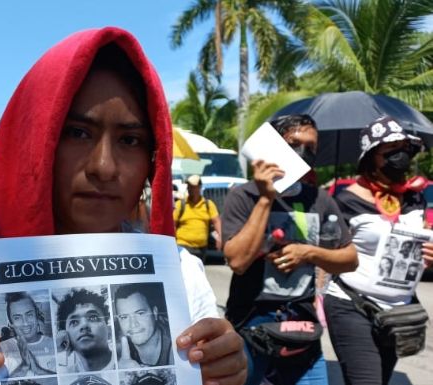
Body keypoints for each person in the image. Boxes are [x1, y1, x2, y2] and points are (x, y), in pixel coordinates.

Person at [0, 27, 246, 385]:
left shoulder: (179, 272)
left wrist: (227, 370)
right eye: (77, 133)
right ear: (34, 139)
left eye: (130, 140)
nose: (104, 167)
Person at [221, 114, 357, 385]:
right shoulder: (244, 196)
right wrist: (265, 198)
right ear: (273, 147)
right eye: (295, 143)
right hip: (251, 327)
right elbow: (237, 261)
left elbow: (350, 259)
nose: (304, 152)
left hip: (301, 331)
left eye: (311, 146)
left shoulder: (319, 198)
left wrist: (308, 253)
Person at [323, 116, 433, 384]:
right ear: (372, 157)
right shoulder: (347, 200)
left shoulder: (414, 198)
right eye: (391, 150)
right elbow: (328, 254)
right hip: (352, 305)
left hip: (398, 312)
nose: (401, 156)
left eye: (405, 148)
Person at [113, 283, 172, 368]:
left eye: (140, 313)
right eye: (124, 317)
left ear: (155, 313)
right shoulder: (117, 352)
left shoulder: (174, 345)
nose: (133, 324)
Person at [55, 288, 114, 373]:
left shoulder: (127, 364)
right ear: (65, 335)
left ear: (108, 329)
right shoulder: (65, 375)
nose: (84, 325)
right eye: (74, 322)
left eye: (93, 317)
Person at [0, 292, 56, 376]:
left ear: (37, 316)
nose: (25, 323)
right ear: (10, 323)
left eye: (29, 315)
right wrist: (23, 367)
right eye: (17, 318)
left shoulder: (53, 344)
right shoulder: (1, 348)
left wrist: (38, 370)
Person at [173, 175, 222, 262]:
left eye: (193, 187)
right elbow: (173, 225)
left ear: (199, 187)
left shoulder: (208, 205)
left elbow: (216, 221)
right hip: (183, 246)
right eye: (189, 186)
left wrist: (220, 237)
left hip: (201, 248)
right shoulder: (180, 204)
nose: (190, 189)